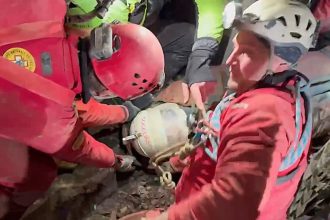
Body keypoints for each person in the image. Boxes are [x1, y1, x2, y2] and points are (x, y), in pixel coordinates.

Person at [129, 0, 319, 219]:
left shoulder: (263, 115)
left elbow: (235, 202)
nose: (230, 60)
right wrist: (183, 161)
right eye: (236, 46)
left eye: (246, 52)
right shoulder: (275, 88)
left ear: (282, 63)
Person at [0, 0, 164, 218]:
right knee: (38, 174)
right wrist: (115, 161)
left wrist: (123, 113)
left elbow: (75, 108)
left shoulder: (49, 6)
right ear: (107, 90)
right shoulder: (54, 120)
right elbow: (80, 147)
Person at [66, 0, 227, 112]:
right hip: (88, 58)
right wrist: (123, 112)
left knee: (186, 36)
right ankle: (132, 103)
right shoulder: (95, 16)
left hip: (123, 27)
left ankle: (143, 98)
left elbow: (210, 4)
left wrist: (201, 54)